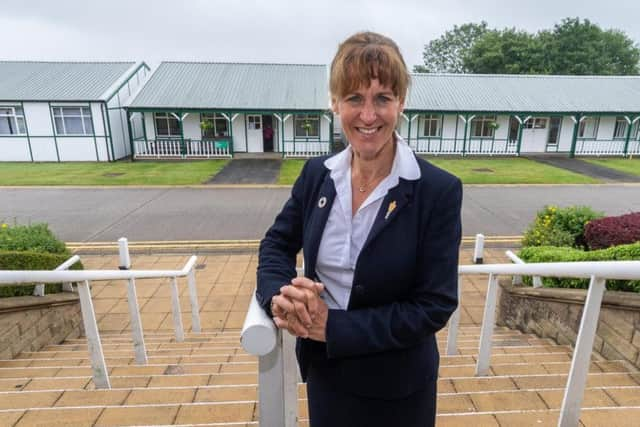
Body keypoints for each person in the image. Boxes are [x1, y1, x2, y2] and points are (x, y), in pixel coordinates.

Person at [256, 31, 462, 427]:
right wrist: (280, 298)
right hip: (328, 376)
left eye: (382, 98)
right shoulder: (318, 175)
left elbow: (434, 304)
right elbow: (276, 243)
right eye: (354, 98)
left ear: (401, 103)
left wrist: (334, 326)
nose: (368, 116)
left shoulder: (438, 190)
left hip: (400, 386)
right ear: (334, 104)